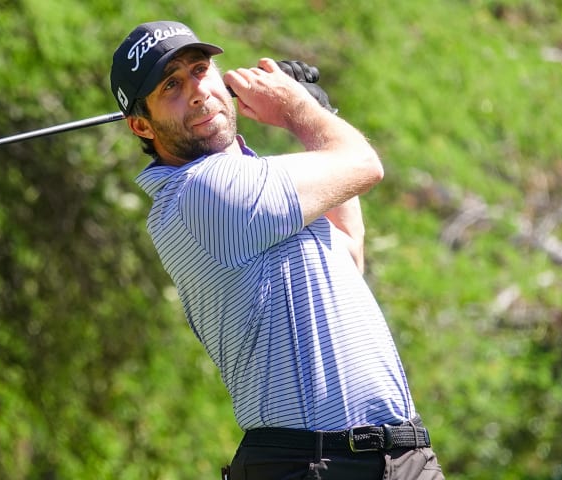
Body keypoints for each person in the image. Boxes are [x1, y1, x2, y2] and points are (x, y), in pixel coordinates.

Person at [109, 20, 445, 480]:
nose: (198, 91)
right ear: (141, 125)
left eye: (201, 69)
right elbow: (364, 164)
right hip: (310, 463)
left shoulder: (256, 183)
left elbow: (348, 250)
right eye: (171, 85)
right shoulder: (201, 193)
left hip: (402, 457)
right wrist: (297, 110)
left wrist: (314, 121)